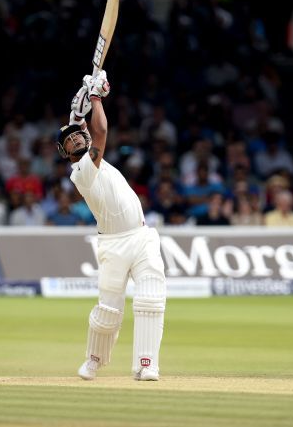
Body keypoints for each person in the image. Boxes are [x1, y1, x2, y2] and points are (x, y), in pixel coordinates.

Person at [57, 70, 166, 381]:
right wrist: (95, 98)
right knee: (108, 311)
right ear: (66, 153)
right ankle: (94, 361)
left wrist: (80, 107)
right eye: (69, 140)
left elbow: (88, 128)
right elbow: (101, 130)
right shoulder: (81, 171)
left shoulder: (94, 159)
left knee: (151, 299)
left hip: (143, 237)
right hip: (113, 245)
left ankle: (147, 364)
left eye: (77, 134)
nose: (75, 137)